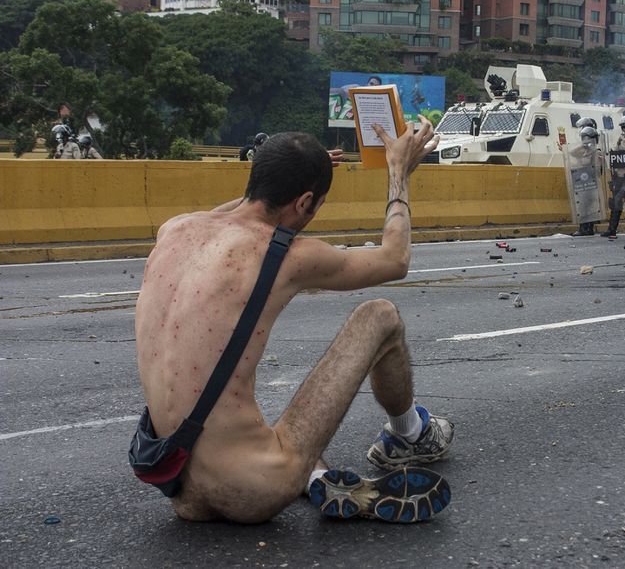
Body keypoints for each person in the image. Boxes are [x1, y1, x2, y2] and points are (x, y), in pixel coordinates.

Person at [133, 115, 453, 525]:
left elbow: (244, 207)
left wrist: (284, 173)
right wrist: (398, 171)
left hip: (179, 489)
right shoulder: (286, 253)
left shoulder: (174, 230)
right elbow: (395, 259)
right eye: (312, 206)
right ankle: (410, 435)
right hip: (252, 491)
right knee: (380, 316)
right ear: (304, 203)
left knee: (274, 424)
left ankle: (316, 475)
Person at [571, 118, 602, 237]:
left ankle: (585, 228)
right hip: (584, 182)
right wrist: (582, 146)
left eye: (585, 138)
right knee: (584, 205)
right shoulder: (585, 150)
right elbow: (571, 153)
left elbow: (598, 169)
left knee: (586, 205)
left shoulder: (596, 152)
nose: (584, 140)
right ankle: (586, 228)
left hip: (591, 182)